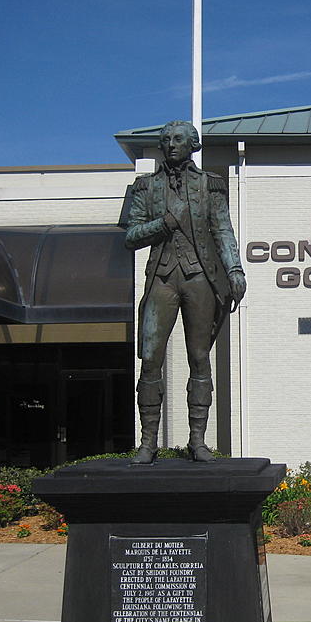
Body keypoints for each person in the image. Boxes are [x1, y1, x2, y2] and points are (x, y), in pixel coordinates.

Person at [124, 120, 246, 463]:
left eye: (178, 139)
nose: (170, 144)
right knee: (150, 359)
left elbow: (223, 231)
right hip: (162, 278)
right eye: (165, 140)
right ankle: (147, 442)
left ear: (192, 144)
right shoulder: (145, 187)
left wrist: (234, 269)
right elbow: (130, 236)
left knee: (200, 358)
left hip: (199, 277)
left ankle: (198, 441)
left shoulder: (210, 186)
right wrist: (163, 224)